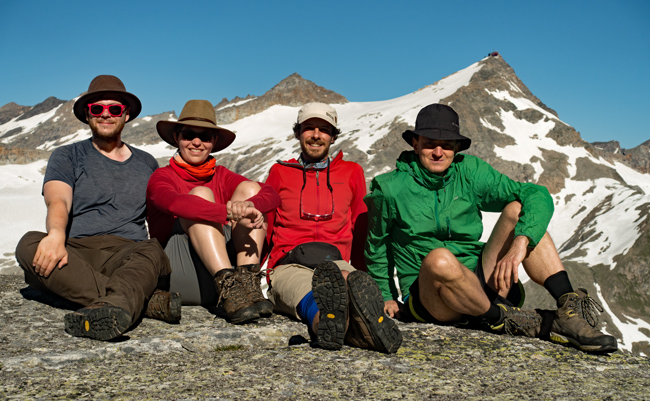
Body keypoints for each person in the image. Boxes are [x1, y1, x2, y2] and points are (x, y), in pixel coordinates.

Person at [365, 103, 617, 353]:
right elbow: (377, 247)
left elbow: (535, 194)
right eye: (430, 142)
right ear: (416, 143)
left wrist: (522, 242)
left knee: (518, 210)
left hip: (481, 280)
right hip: (429, 296)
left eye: (447, 144)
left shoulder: (470, 172)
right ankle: (506, 319)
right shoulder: (389, 188)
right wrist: (386, 296)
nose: (438, 151)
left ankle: (569, 311)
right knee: (440, 259)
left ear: (456, 148)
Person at [15, 75, 178, 341]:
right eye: (97, 109)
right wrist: (56, 235)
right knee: (29, 244)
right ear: (87, 115)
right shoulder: (67, 155)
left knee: (152, 251)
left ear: (125, 115)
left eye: (114, 109)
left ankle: (115, 301)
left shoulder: (147, 162)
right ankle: (139, 302)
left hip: (128, 253)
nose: (105, 114)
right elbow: (58, 199)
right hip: (76, 253)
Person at [264, 102, 402, 353]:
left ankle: (351, 326)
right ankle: (330, 328)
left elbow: (361, 231)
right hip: (289, 263)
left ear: (333, 136)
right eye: (309, 128)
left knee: (349, 281)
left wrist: (379, 289)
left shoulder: (351, 172)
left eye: (324, 130)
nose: (316, 135)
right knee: (317, 296)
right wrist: (257, 278)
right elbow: (267, 227)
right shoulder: (279, 172)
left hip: (336, 262)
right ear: (298, 133)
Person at [146, 100, 280, 324]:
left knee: (250, 190)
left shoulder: (222, 174)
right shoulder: (161, 177)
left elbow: (271, 195)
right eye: (189, 134)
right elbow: (174, 204)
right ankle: (228, 286)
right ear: (176, 138)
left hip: (227, 283)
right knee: (199, 195)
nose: (196, 142)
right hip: (179, 274)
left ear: (214, 142)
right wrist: (226, 213)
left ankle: (248, 283)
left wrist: (250, 206)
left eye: (205, 137)